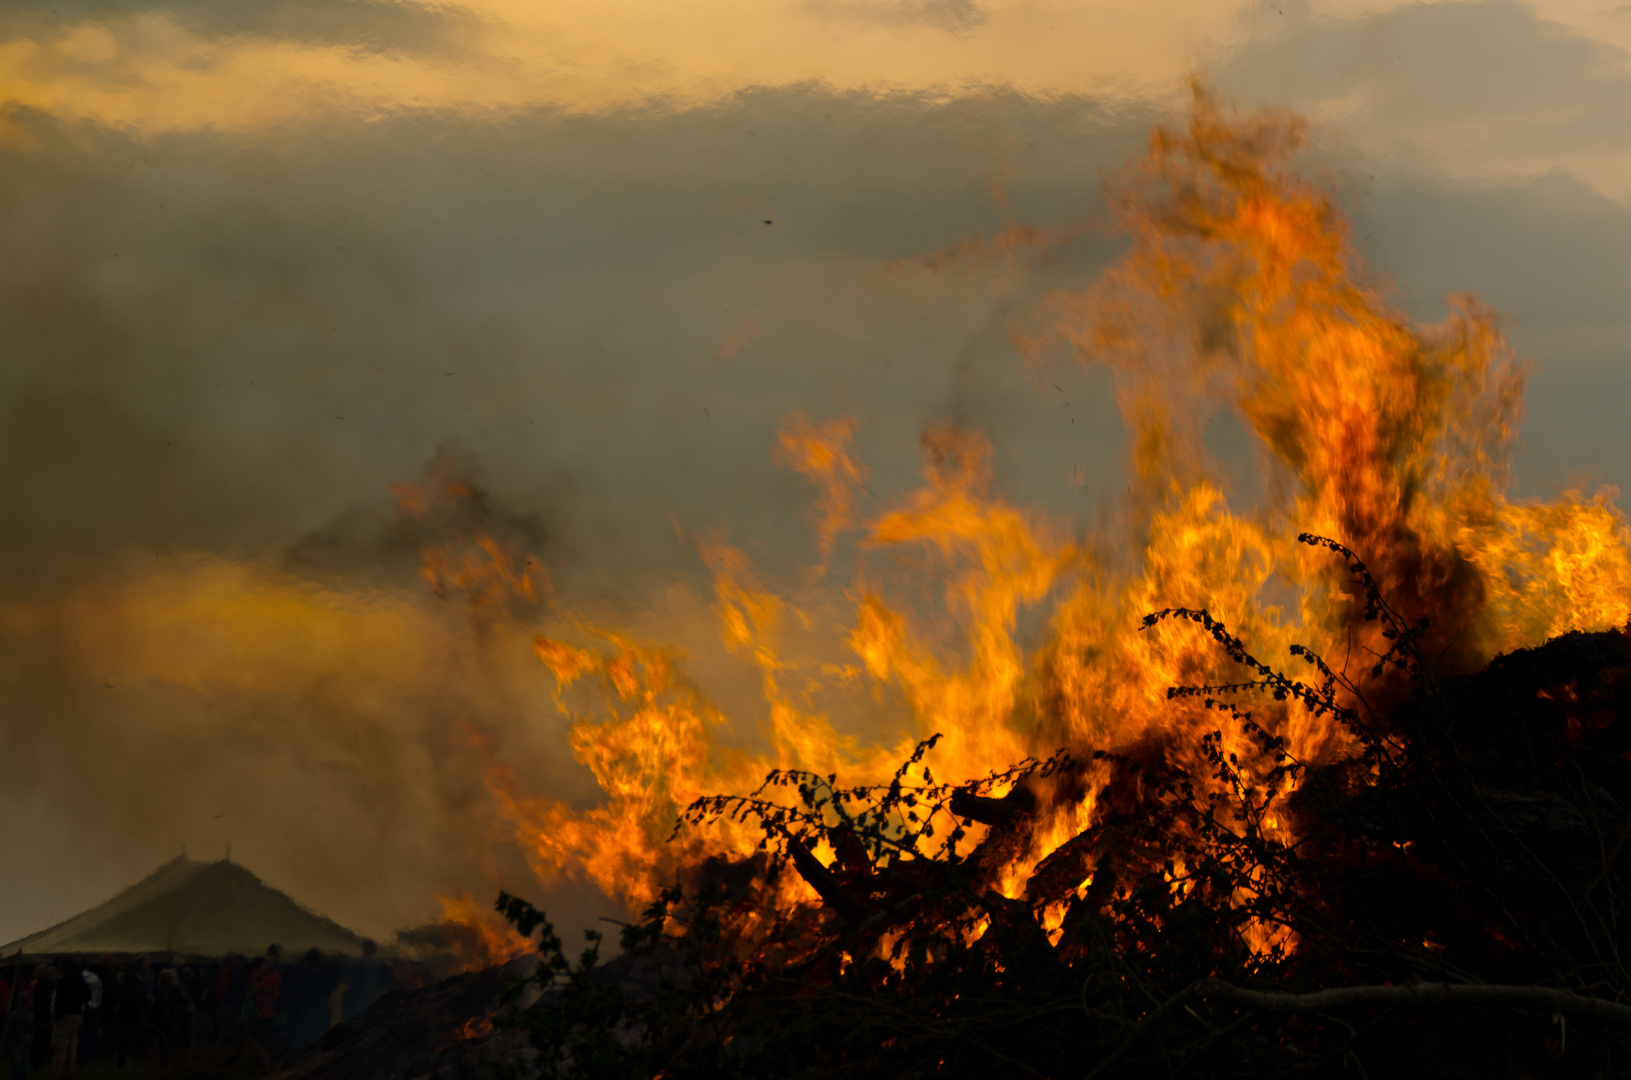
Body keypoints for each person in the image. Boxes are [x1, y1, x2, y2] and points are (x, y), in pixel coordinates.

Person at [50, 958, 88, 1080]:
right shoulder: (79, 978)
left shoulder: (63, 980)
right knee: (72, 1048)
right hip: (77, 1015)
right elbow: (88, 994)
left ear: (64, 967)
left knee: (60, 1048)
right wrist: (78, 1003)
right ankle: (69, 1074)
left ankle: (57, 1075)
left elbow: (59, 1001)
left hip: (64, 1016)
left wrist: (57, 1016)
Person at [343, 941, 393, 1021]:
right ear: (365, 951)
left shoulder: (381, 965)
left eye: (372, 950)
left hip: (375, 996)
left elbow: (388, 980)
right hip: (360, 997)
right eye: (369, 950)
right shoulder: (357, 964)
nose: (371, 953)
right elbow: (348, 979)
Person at [245, 952, 281, 1051]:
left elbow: (256, 989)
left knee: (261, 1037)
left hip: (265, 1012)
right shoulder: (276, 976)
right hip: (270, 1010)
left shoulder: (269, 978)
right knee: (268, 1036)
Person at [77, 962, 102, 1064]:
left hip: (83, 1007)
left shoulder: (80, 977)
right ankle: (89, 1053)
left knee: (83, 1032)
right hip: (93, 1007)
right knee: (91, 1031)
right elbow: (100, 991)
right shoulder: (95, 977)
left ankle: (83, 1055)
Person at [6, 993, 33, 1080]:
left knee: (16, 1061)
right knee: (25, 1061)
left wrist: (7, 1039)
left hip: (17, 1040)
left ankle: (17, 1077)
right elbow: (32, 1029)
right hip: (27, 1040)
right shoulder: (30, 1014)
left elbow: (9, 1029)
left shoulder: (13, 1014)